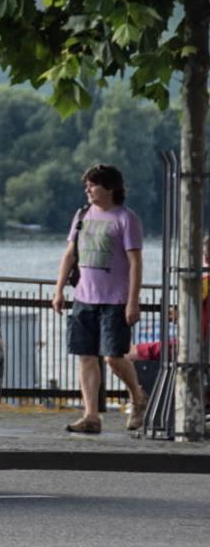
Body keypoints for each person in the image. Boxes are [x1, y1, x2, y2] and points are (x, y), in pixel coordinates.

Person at [51, 164, 147, 433]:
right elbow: (70, 254)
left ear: (110, 188)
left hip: (115, 300)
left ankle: (138, 398)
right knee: (86, 356)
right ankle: (91, 416)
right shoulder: (82, 215)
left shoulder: (126, 220)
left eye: (93, 184)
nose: (88, 189)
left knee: (113, 357)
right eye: (87, 185)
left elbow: (136, 263)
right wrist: (59, 291)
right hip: (84, 298)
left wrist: (133, 300)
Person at [129, 237, 210, 362]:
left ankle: (133, 382)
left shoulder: (203, 286)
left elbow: (191, 317)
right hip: (199, 346)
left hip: (195, 346)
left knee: (130, 352)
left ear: (204, 258)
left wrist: (177, 315)